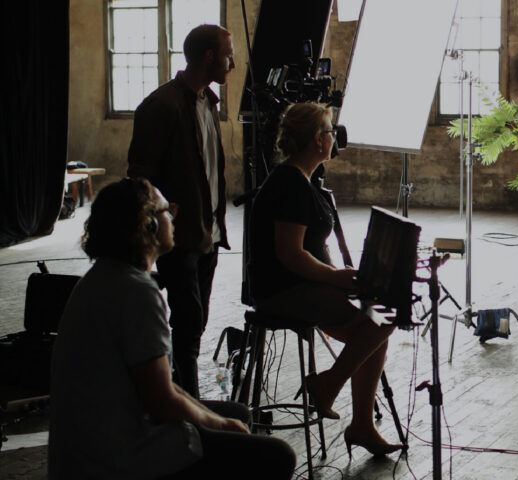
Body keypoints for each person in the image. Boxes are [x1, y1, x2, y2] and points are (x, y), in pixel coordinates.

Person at [49, 178, 295, 479]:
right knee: (277, 456)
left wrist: (219, 420)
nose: (174, 218)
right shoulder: (137, 292)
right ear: (148, 224)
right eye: (169, 210)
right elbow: (161, 402)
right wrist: (218, 425)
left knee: (238, 414)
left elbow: (158, 383)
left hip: (91, 441)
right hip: (117, 456)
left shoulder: (102, 277)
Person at [248, 102, 402, 458]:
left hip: (301, 285)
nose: (335, 138)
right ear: (318, 140)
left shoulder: (302, 179)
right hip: (282, 290)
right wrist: (336, 278)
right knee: (385, 314)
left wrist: (343, 278)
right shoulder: (290, 184)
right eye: (331, 131)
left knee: (375, 326)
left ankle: (360, 422)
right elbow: (291, 254)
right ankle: (329, 385)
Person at [127, 24, 234, 398]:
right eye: (227, 54)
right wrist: (164, 216)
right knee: (187, 324)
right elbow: (140, 177)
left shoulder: (208, 101)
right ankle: (186, 408)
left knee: (196, 322)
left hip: (209, 234)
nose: (232, 63)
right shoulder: (161, 105)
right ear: (209, 57)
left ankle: (179, 397)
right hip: (181, 237)